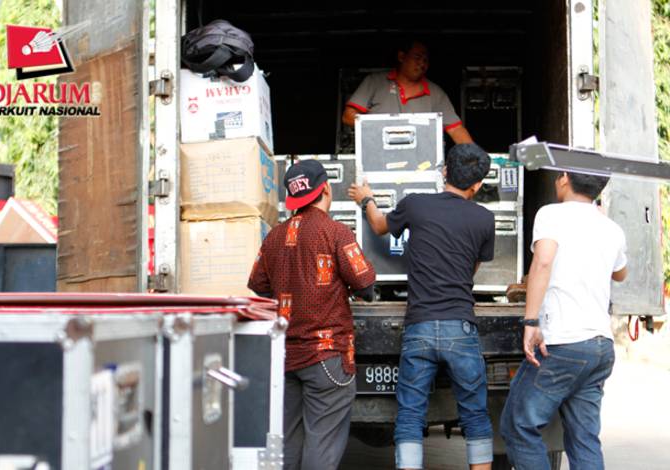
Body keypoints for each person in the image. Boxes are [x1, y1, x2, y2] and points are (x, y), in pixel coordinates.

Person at [348, 144, 495, 470]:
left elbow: (379, 226)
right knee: (475, 415)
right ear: (477, 185)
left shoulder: (416, 204)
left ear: (444, 172)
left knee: (411, 415)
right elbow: (471, 269)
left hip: (420, 325)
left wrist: (366, 199)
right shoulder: (485, 219)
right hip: (461, 326)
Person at [248, 159, 376, 470]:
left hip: (286, 357)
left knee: (289, 442)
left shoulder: (274, 237)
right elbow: (365, 284)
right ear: (326, 189)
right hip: (326, 356)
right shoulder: (336, 232)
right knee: (322, 442)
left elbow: (258, 285)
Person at [499, 172, 628, 470]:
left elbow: (543, 261)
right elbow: (621, 273)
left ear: (565, 178)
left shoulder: (551, 214)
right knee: (584, 438)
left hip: (564, 342)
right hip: (600, 346)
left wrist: (531, 322)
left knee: (519, 426)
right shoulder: (611, 228)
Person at [342, 38, 474, 145]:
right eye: (417, 57)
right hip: (377, 158)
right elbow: (348, 116)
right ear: (401, 57)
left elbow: (455, 129)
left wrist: (475, 158)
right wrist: (386, 127)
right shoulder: (375, 81)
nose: (422, 63)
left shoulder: (436, 93)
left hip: (422, 164)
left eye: (425, 60)